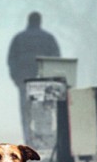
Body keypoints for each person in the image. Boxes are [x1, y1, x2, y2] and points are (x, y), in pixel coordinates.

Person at [7, 11, 61, 145]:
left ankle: (28, 140)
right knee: (45, 111)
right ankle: (44, 140)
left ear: (28, 21)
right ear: (40, 21)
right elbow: (56, 59)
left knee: (26, 113)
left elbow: (11, 60)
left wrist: (15, 78)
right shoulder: (49, 38)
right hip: (44, 81)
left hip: (24, 80)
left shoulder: (18, 38)